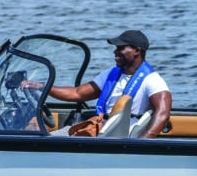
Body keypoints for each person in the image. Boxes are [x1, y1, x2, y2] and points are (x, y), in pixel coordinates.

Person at [40, 30, 172, 138]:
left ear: (136, 51)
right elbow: (77, 93)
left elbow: (162, 113)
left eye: (120, 48)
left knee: (47, 141)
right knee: (48, 137)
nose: (115, 52)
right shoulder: (111, 74)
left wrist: (141, 143)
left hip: (117, 136)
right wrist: (43, 87)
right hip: (99, 129)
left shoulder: (152, 79)